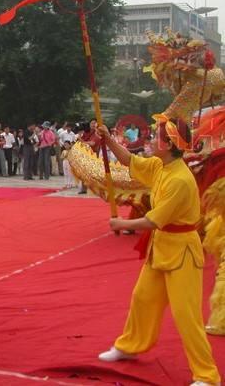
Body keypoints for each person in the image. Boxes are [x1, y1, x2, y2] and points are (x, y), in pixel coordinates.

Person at [96, 117, 221, 386]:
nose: (151, 139)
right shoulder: (159, 165)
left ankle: (207, 376)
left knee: (186, 316)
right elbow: (130, 160)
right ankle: (129, 346)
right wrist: (107, 140)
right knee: (142, 299)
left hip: (183, 253)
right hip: (161, 248)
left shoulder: (180, 180)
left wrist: (121, 223)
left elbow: (153, 221)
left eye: (157, 137)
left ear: (170, 145)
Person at [78, 119, 101, 194]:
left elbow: (92, 143)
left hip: (94, 155)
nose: (93, 124)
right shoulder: (86, 132)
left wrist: (83, 142)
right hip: (85, 154)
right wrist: (79, 137)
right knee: (83, 172)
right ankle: (84, 188)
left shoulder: (98, 133)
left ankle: (96, 189)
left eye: (95, 123)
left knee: (94, 173)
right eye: (92, 123)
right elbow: (81, 142)